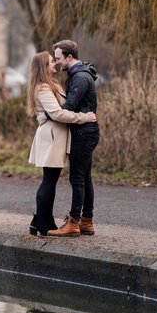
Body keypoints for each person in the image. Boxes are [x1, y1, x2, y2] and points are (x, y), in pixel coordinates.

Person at [27, 52, 97, 237]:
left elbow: (61, 109)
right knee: (49, 180)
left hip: (56, 135)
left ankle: (41, 221)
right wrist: (84, 117)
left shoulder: (52, 84)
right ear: (43, 66)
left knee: (51, 179)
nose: (55, 64)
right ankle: (42, 221)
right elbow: (58, 113)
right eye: (51, 61)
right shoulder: (42, 88)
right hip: (52, 136)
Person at [48, 40, 100, 238]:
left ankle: (74, 222)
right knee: (85, 178)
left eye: (59, 58)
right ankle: (87, 221)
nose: (58, 62)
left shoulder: (79, 78)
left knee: (77, 178)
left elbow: (69, 106)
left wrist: (49, 112)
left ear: (70, 57)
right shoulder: (79, 75)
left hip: (84, 133)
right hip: (86, 131)